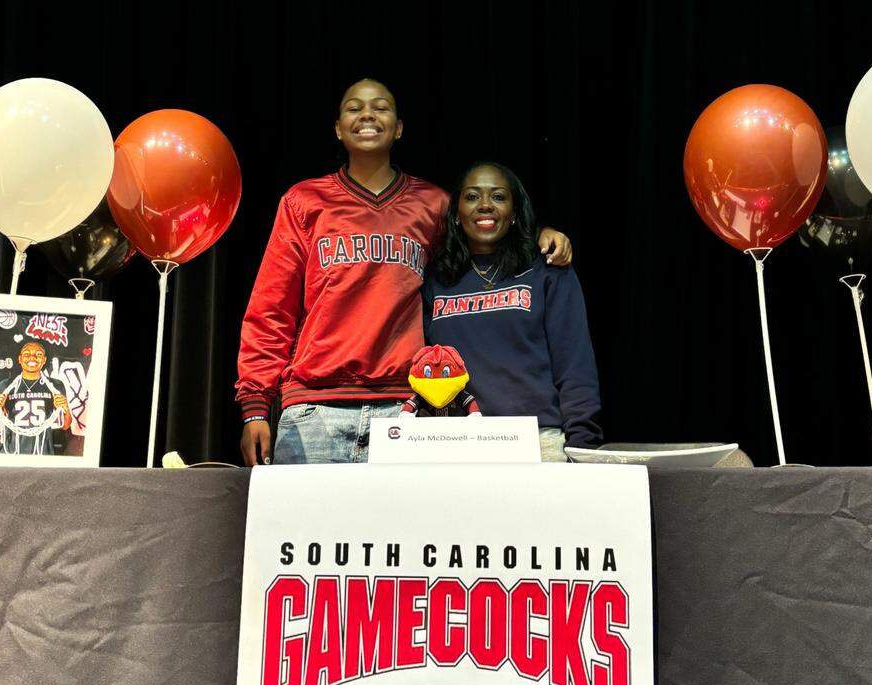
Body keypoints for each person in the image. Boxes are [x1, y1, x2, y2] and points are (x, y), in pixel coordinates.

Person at [235, 79, 571, 465]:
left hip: (406, 409)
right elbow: (270, 309)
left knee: (396, 528)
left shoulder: (432, 205)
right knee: (305, 528)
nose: (367, 114)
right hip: (313, 410)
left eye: (380, 107)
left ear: (398, 128)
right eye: (353, 107)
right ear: (338, 128)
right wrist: (256, 404)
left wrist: (539, 234)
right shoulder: (304, 201)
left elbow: (485, 239)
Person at [424, 161, 602, 461]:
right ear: (455, 214)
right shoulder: (436, 279)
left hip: (537, 442)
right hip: (457, 443)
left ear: (515, 212)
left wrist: (582, 445)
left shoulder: (546, 270)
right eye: (471, 197)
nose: (484, 205)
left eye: (498, 196)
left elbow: (574, 362)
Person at [0, 341, 73, 455]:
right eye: (27, 354)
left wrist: (66, 409)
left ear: (44, 360)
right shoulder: (5, 386)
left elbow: (65, 425)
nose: (32, 357)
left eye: (38, 354)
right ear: (20, 359)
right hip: (10, 453)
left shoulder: (56, 385)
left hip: (42, 454)